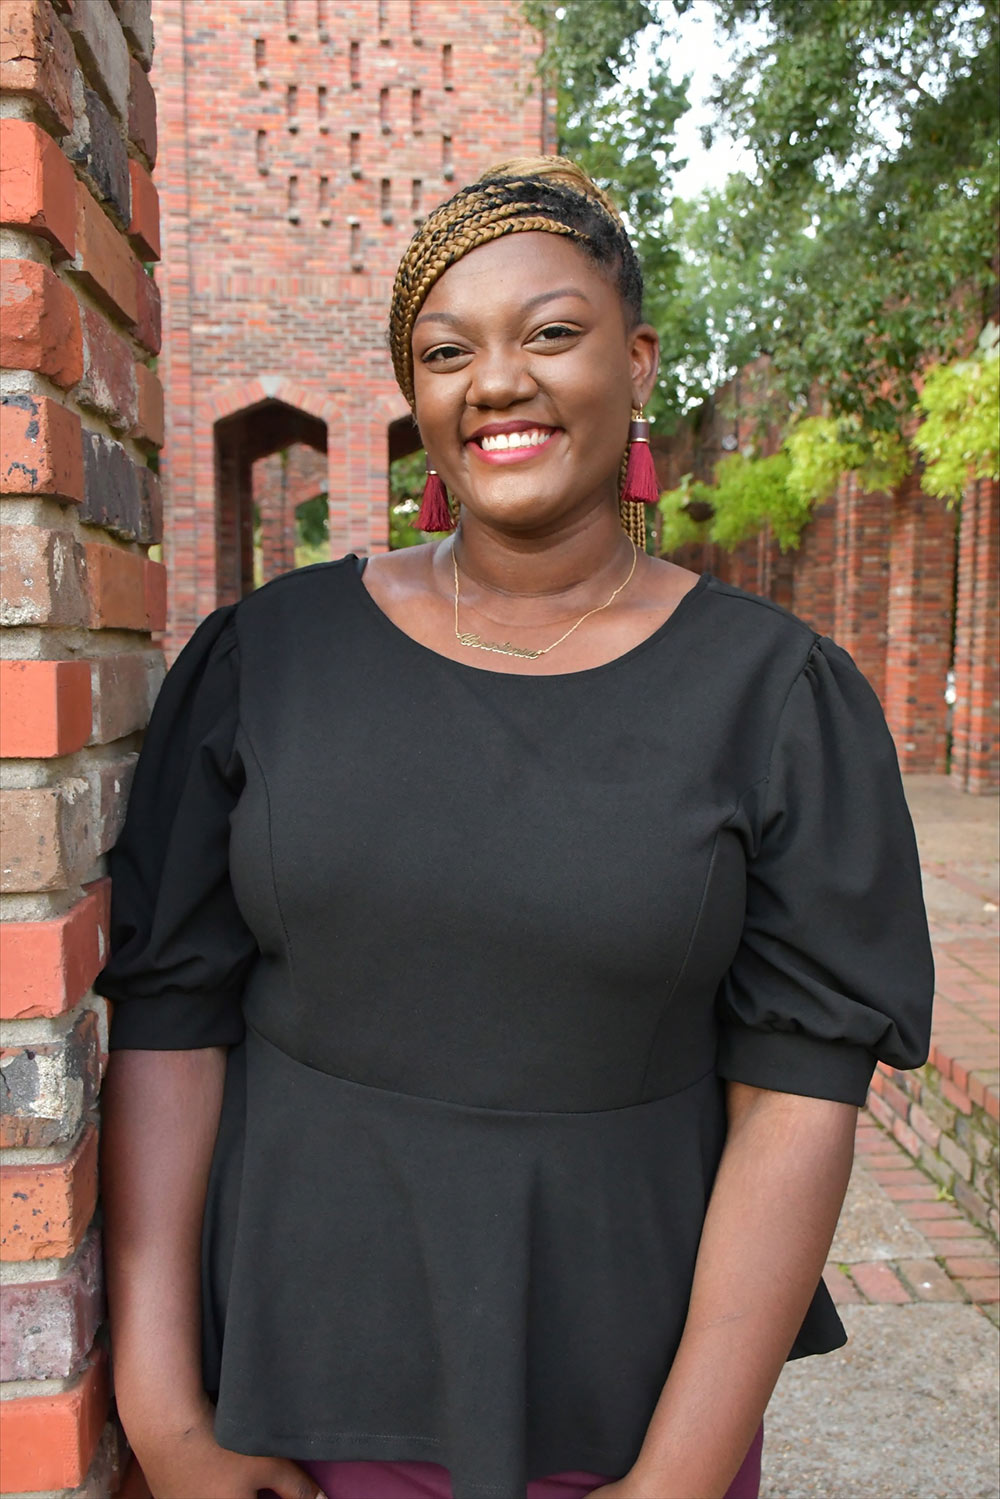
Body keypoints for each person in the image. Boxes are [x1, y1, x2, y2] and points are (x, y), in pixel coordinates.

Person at [96, 157, 934, 1499]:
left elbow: (796, 1099)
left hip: (627, 1399)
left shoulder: (776, 699)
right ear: (417, 394)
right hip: (287, 1381)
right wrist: (162, 1406)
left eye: (550, 332)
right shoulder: (270, 659)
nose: (497, 381)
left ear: (639, 361)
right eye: (446, 350)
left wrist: (674, 1483)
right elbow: (170, 1020)